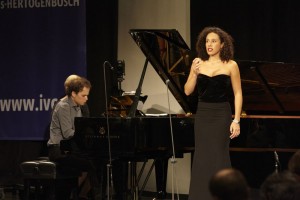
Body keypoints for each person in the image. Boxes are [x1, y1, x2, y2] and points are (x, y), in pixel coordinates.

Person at [184, 26, 243, 200]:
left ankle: (222, 195)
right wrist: (194, 74)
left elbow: (238, 93)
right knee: (202, 158)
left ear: (222, 44)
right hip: (203, 115)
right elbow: (187, 91)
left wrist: (236, 120)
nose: (209, 44)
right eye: (207, 41)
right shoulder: (198, 63)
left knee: (219, 156)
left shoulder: (231, 65)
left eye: (214, 41)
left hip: (222, 115)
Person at [47, 74, 98, 200]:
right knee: (91, 165)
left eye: (87, 95)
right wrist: (85, 133)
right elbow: (68, 133)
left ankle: (81, 195)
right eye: (84, 95)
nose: (86, 98)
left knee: (98, 162)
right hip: (58, 150)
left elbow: (86, 126)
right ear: (73, 94)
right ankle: (86, 195)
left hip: (72, 148)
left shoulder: (82, 106)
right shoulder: (63, 106)